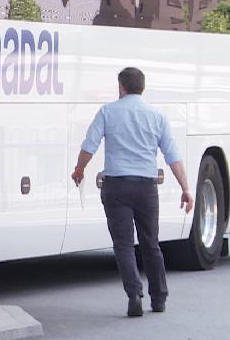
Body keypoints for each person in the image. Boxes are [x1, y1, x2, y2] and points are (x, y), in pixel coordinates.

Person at [70, 67, 194, 317]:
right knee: (151, 243)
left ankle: (134, 294)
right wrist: (185, 188)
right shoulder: (157, 117)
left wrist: (79, 169)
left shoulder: (107, 112)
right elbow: (173, 156)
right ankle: (158, 298)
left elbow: (89, 145)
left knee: (124, 245)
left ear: (121, 87)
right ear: (142, 87)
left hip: (116, 186)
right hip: (147, 188)